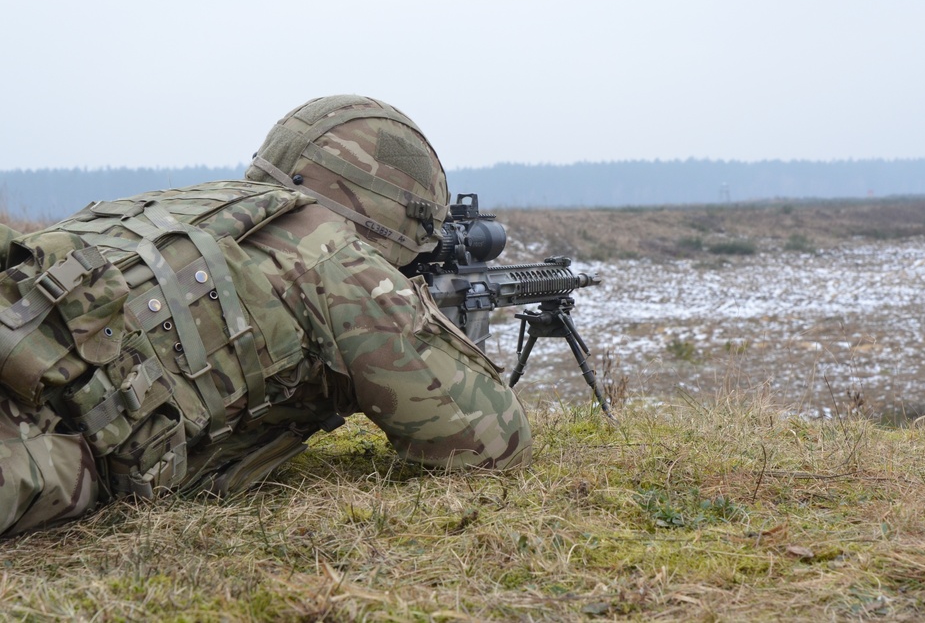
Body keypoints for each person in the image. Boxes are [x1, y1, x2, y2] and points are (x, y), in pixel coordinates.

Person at [0, 95, 531, 536]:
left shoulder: (194, 204)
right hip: (40, 433)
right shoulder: (331, 250)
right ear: (399, 212)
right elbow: (487, 443)